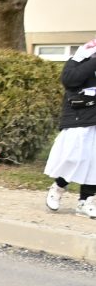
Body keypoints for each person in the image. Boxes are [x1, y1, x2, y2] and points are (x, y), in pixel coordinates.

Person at [45, 38, 96, 218]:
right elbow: (70, 80)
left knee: (94, 163)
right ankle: (58, 187)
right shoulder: (83, 55)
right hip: (79, 117)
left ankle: (86, 201)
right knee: (73, 157)